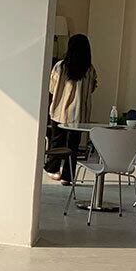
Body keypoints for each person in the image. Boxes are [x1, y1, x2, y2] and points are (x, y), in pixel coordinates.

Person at [44, 33, 98, 186]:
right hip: (79, 114)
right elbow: (92, 89)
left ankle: (53, 169)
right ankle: (67, 177)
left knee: (57, 141)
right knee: (73, 146)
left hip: (59, 111)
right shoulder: (89, 69)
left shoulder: (60, 66)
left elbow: (51, 88)